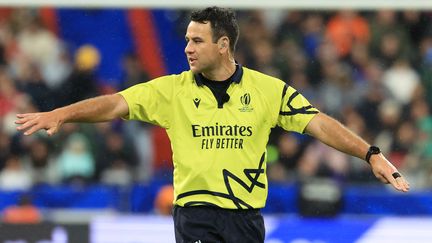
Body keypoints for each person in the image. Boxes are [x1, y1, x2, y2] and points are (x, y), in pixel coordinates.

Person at [15, 6, 409, 243]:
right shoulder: (171, 91)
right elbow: (114, 104)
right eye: (187, 39)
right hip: (196, 213)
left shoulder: (267, 90)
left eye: (197, 40)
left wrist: (370, 153)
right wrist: (62, 113)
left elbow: (319, 124)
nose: (187, 47)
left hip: (246, 218)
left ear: (223, 45)